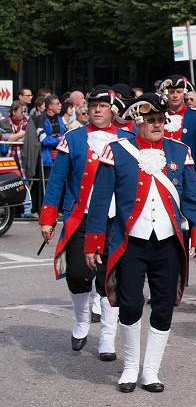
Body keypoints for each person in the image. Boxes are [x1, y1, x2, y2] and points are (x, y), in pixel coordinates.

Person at [84, 95, 196, 392]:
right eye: (150, 120)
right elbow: (100, 200)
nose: (156, 125)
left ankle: (150, 370)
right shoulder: (116, 151)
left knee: (164, 306)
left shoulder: (179, 151)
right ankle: (129, 366)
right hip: (131, 242)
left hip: (167, 242)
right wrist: (93, 243)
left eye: (160, 120)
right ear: (137, 122)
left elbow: (192, 198)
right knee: (129, 304)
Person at [39, 86, 134, 358]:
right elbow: (57, 180)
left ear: (113, 110)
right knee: (79, 274)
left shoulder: (128, 139)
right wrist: (48, 219)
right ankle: (81, 321)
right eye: (93, 105)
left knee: (109, 280)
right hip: (81, 218)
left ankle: (107, 336)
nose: (97, 109)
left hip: (115, 221)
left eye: (103, 106)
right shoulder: (73, 139)